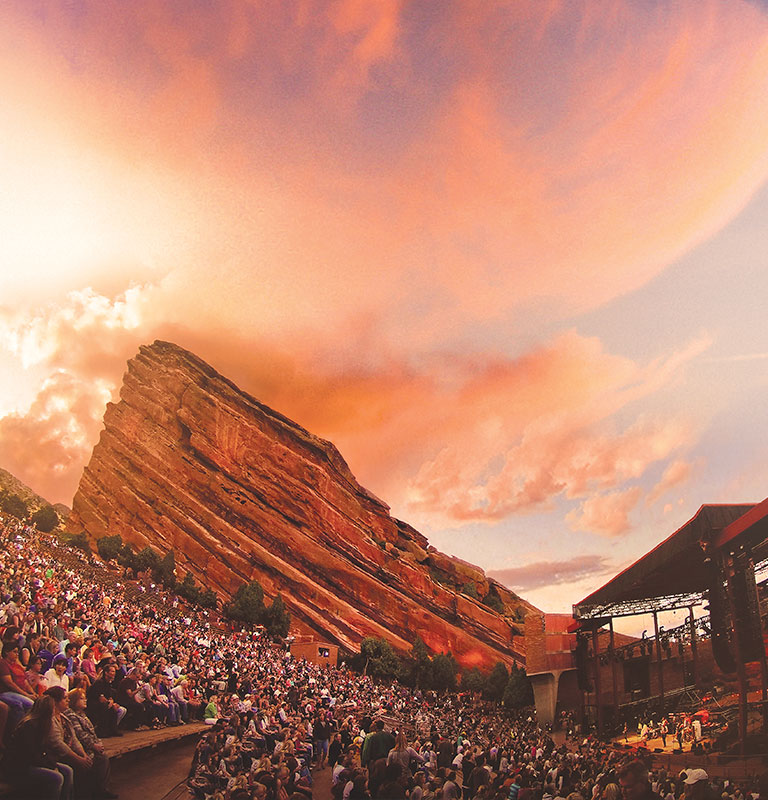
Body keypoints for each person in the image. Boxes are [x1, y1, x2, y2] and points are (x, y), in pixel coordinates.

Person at [2, 694, 75, 800]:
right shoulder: (29, 725)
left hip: (35, 761)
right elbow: (31, 755)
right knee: (57, 778)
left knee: (68, 770)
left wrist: (52, 764)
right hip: (19, 766)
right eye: (53, 708)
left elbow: (44, 751)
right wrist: (51, 766)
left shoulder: (44, 724)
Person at [0, 639, 36, 726]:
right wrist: (26, 695)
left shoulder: (17, 666)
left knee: (36, 703)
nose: (17, 654)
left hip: (19, 693)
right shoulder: (2, 663)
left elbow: (25, 682)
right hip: (6, 692)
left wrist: (33, 693)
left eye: (17, 652)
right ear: (6, 653)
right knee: (24, 704)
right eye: (14, 652)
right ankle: (18, 731)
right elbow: (10, 683)